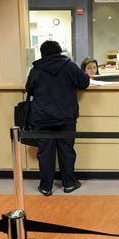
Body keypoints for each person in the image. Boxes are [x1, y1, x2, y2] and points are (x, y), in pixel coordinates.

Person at [26, 40, 90, 196]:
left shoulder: (36, 69)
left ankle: (46, 187)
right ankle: (69, 183)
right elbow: (84, 82)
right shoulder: (70, 66)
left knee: (45, 152)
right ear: (59, 51)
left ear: (42, 53)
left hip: (42, 118)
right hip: (65, 117)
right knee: (66, 150)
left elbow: (29, 89)